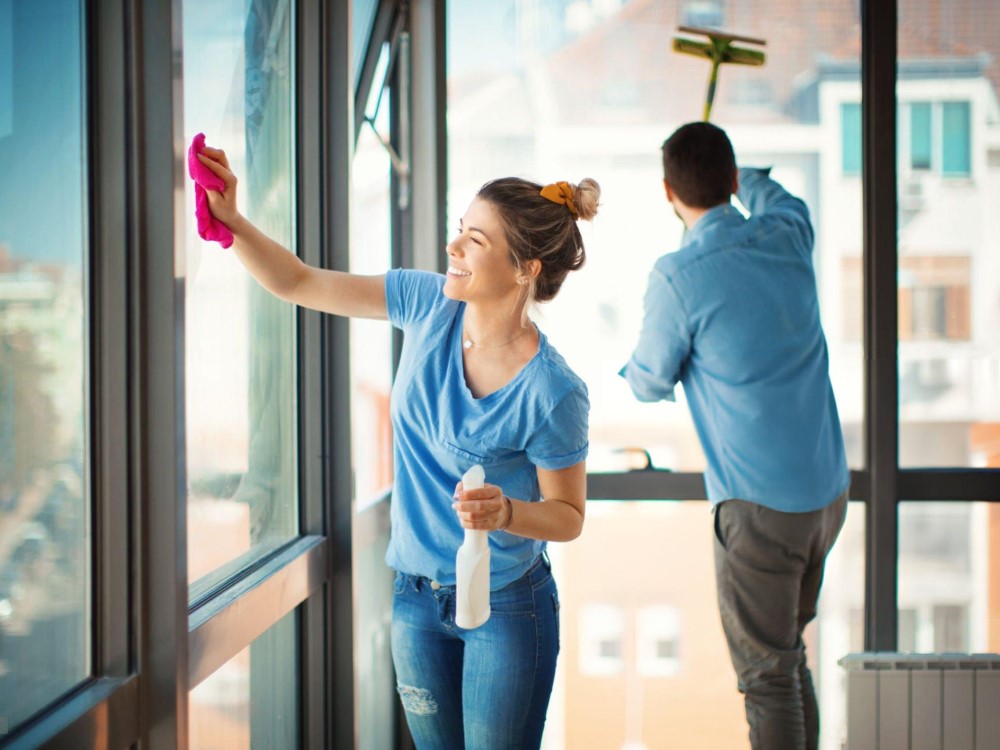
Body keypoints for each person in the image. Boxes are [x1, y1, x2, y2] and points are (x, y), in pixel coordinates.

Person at [195, 145, 597, 749]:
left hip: (509, 608)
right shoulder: (426, 302)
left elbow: (567, 518)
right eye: (460, 231)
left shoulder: (553, 391)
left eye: (475, 242)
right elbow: (299, 281)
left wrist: (507, 512)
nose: (452, 248)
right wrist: (231, 219)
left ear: (526, 269)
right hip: (414, 598)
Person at [619, 122, 849, 750]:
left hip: (760, 509)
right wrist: (739, 175)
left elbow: (647, 380)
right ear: (731, 179)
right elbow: (773, 193)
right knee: (787, 658)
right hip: (826, 496)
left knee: (768, 678)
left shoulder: (678, 276)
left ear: (669, 192)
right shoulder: (787, 231)